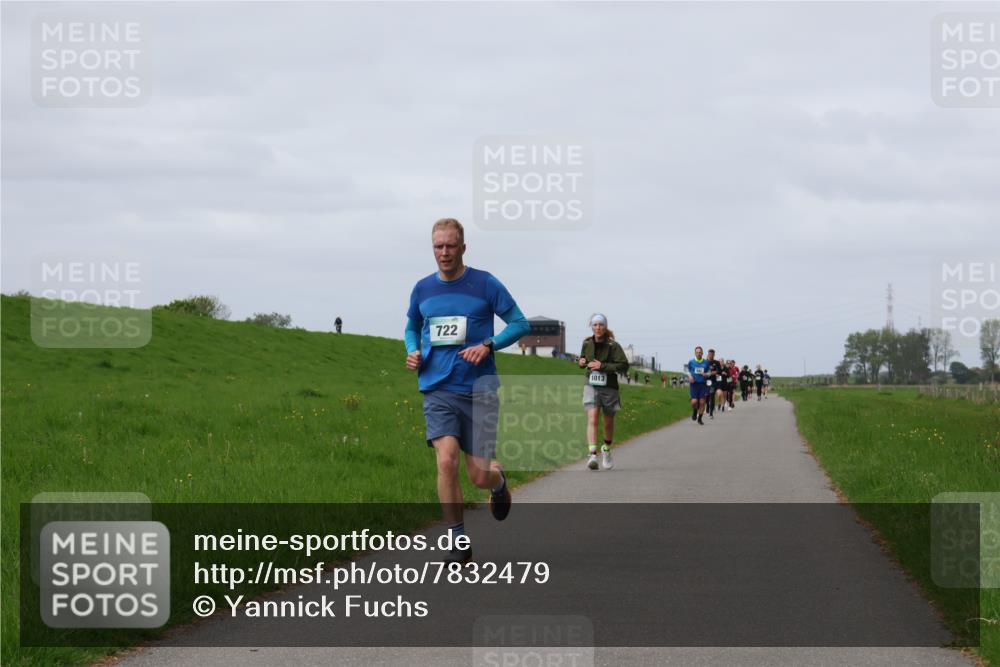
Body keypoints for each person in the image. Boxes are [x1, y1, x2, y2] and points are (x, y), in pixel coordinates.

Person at [404, 218, 530, 564]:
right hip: (437, 388)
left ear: (463, 247)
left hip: (479, 391)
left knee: (478, 476)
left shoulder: (485, 283)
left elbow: (520, 323)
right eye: (438, 246)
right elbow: (413, 326)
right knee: (446, 461)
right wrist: (412, 350)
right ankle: (457, 541)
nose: (444, 252)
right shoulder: (422, 289)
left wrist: (488, 344)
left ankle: (498, 482)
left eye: (450, 245)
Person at [578, 314, 629, 470]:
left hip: (609, 387)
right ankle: (592, 454)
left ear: (605, 327)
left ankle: (606, 449)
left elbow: (623, 365)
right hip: (591, 385)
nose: (598, 327)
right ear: (591, 327)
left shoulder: (613, 346)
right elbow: (584, 360)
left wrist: (603, 366)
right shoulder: (587, 343)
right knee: (592, 418)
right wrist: (581, 362)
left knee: (608, 422)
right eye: (595, 325)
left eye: (601, 325)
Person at [687, 346, 710, 425]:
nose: (698, 354)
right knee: (694, 402)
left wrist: (706, 374)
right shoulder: (691, 362)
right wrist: (689, 376)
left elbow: (709, 372)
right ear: (695, 353)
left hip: (703, 384)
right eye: (697, 352)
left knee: (702, 403)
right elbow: (687, 371)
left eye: (700, 352)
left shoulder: (706, 362)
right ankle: (695, 411)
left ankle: (700, 418)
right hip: (694, 384)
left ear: (702, 353)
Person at [706, 349, 724, 418]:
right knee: (706, 397)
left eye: (712, 354)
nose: (711, 355)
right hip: (705, 381)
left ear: (714, 355)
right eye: (710, 354)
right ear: (708, 354)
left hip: (713, 382)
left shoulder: (716, 362)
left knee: (711, 396)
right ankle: (707, 407)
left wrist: (713, 373)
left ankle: (711, 413)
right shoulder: (705, 362)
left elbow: (719, 371)